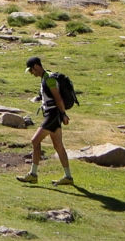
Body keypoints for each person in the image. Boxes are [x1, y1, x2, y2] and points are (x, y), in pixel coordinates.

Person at [18, 56, 75, 185]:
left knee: (35, 140)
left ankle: (33, 174)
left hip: (53, 115)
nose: (31, 73)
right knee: (58, 145)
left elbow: (58, 98)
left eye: (31, 70)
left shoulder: (48, 79)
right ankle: (68, 177)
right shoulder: (46, 78)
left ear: (36, 67)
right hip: (52, 115)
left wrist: (63, 114)